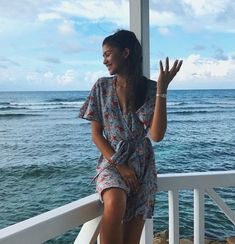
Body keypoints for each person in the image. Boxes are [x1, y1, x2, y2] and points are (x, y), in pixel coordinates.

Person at [79, 29, 182, 244]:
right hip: (113, 159)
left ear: (125, 53)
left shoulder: (149, 88)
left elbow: (156, 135)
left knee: (131, 236)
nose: (104, 60)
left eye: (108, 54)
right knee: (115, 201)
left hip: (143, 164)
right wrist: (120, 165)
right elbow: (96, 135)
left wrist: (162, 90)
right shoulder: (102, 86)